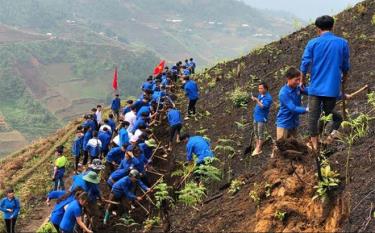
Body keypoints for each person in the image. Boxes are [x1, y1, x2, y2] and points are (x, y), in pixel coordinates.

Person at [300, 15, 350, 151]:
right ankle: (325, 137)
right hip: (332, 88)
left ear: (317, 29)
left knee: (313, 116)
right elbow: (345, 65)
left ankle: (315, 145)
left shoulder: (313, 43)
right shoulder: (342, 43)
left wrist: (302, 79)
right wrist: (345, 78)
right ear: (332, 27)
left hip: (315, 87)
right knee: (328, 113)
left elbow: (305, 63)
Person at [276, 67, 308, 143]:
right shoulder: (283, 93)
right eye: (296, 80)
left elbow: (309, 91)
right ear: (288, 79)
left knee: (294, 146)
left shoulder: (297, 88)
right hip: (284, 124)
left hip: (294, 123)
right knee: (281, 147)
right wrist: (306, 109)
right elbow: (292, 108)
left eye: (299, 79)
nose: (298, 82)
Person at [251, 82, 273, 156]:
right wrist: (254, 99)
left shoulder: (268, 98)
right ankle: (257, 144)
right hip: (256, 116)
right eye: (259, 88)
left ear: (266, 89)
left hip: (262, 117)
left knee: (260, 132)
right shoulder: (260, 95)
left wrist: (257, 100)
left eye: (261, 88)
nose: (259, 90)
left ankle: (259, 148)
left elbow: (263, 106)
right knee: (255, 131)